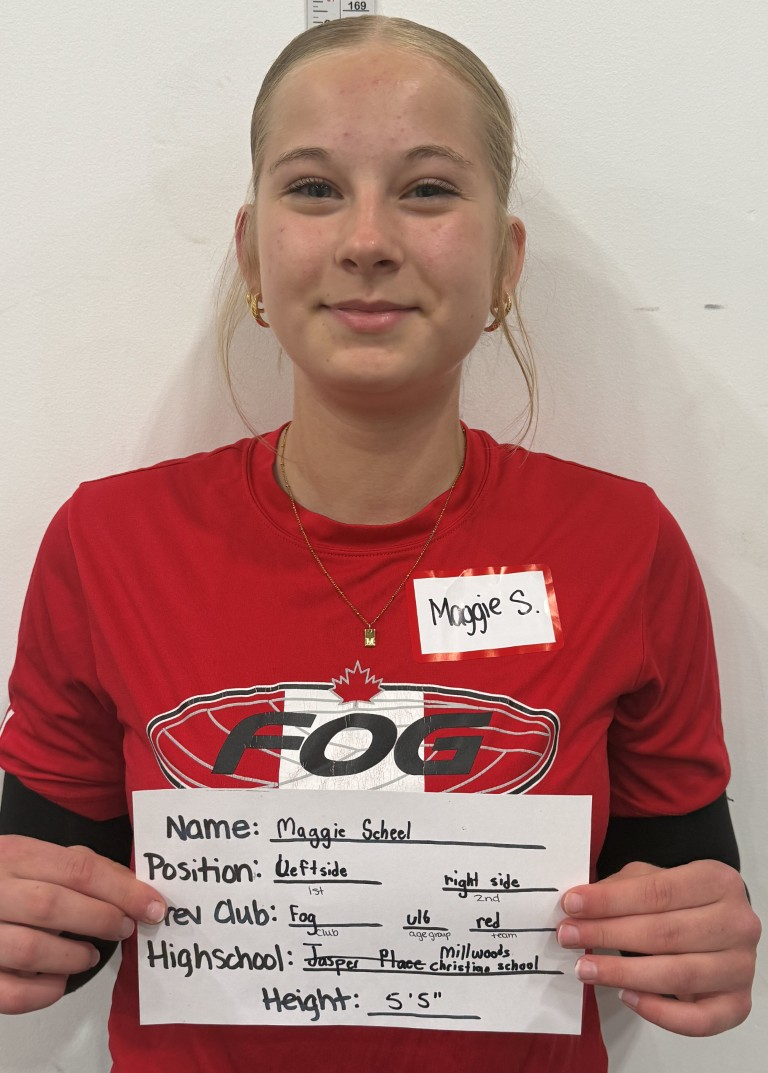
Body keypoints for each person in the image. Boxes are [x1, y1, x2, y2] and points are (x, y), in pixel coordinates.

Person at [0, 14, 759, 1073]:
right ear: (251, 251)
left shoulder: (624, 545)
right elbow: (55, 914)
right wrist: (23, 921)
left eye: (429, 189)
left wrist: (698, 945)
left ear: (505, 262)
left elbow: (675, 893)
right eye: (314, 188)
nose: (367, 240)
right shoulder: (107, 544)